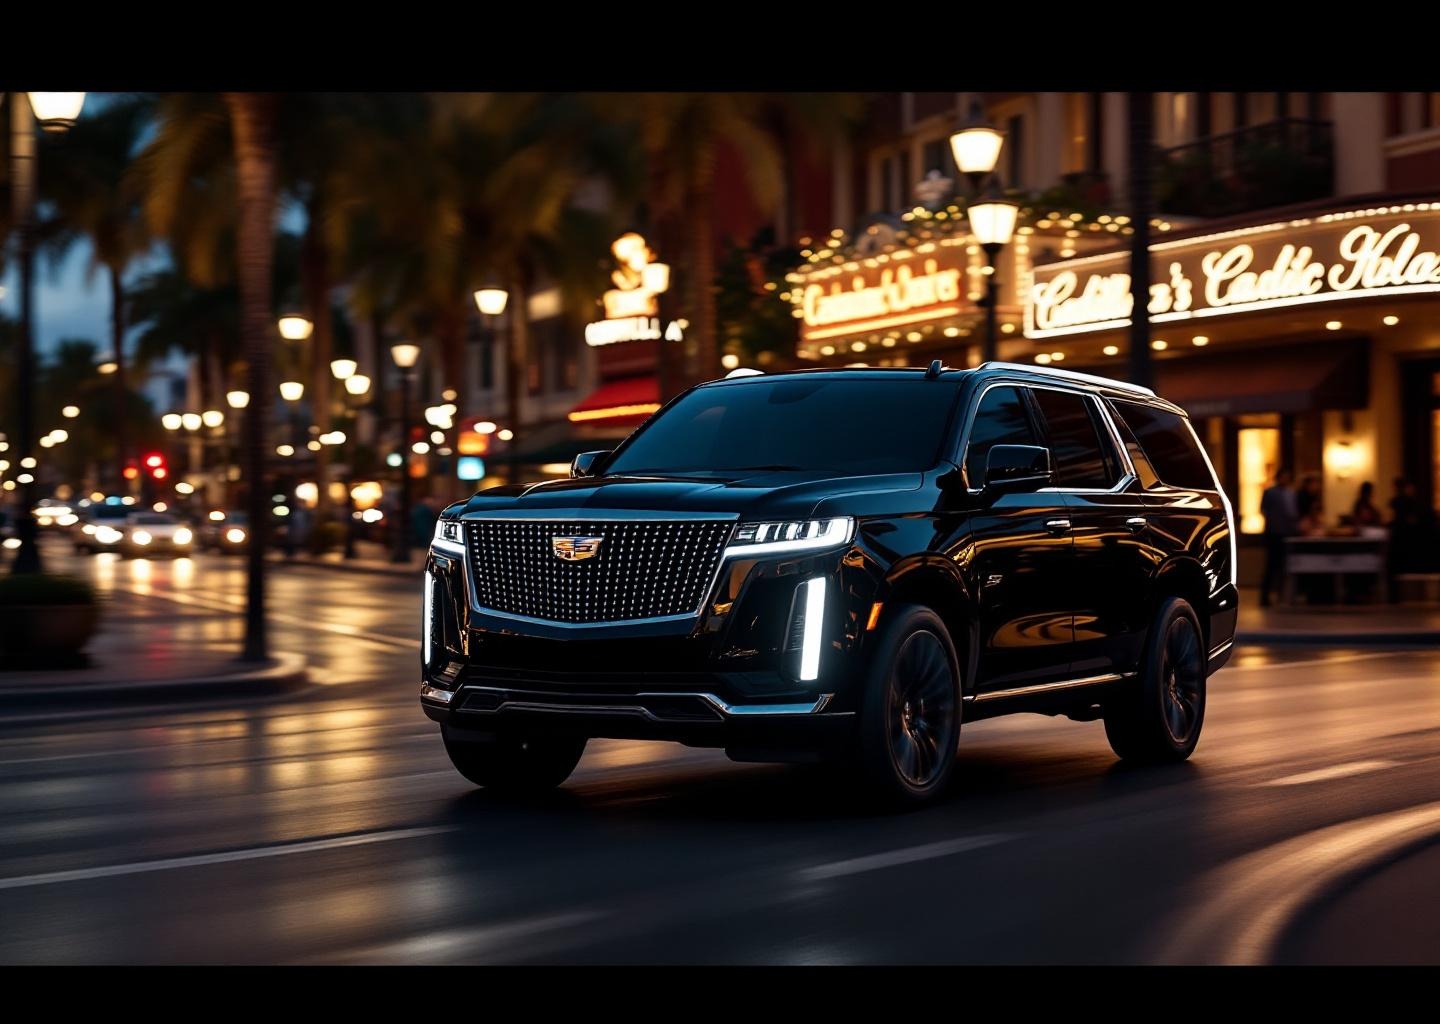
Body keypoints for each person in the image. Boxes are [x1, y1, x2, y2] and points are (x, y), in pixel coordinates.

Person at [1259, 468, 1298, 607]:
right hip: (1274, 533)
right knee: (1271, 565)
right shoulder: (1270, 492)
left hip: (1287, 533)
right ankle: (1265, 596)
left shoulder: (1291, 493)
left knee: (1284, 566)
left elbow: (1293, 512)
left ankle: (1282, 596)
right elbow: (1264, 510)